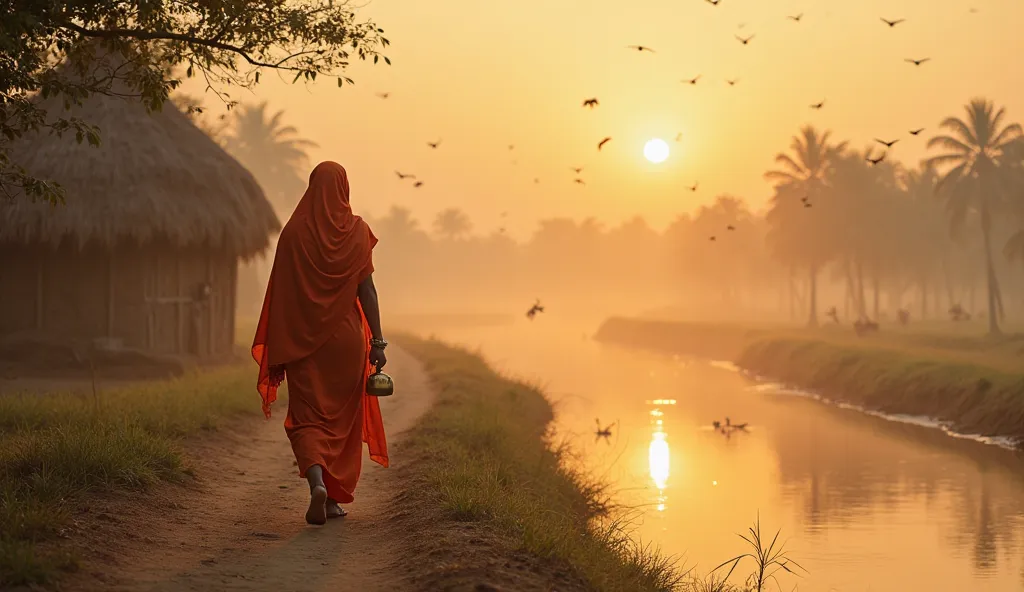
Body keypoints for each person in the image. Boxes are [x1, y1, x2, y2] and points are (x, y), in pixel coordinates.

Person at [252, 161, 389, 525]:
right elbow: (368, 291)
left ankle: (317, 485)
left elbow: (280, 293)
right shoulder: (357, 232)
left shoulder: (294, 233)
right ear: (343, 188)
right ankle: (331, 502)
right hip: (345, 342)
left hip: (303, 343)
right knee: (341, 424)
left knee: (307, 419)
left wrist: (282, 344)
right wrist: (377, 341)